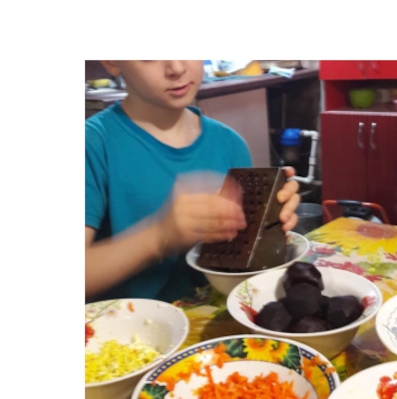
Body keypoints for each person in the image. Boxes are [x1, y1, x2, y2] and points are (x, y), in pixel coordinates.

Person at [85, 60, 301, 303]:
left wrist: (271, 221)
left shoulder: (230, 145)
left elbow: (245, 260)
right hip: (129, 324)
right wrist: (160, 236)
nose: (176, 68)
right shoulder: (92, 145)